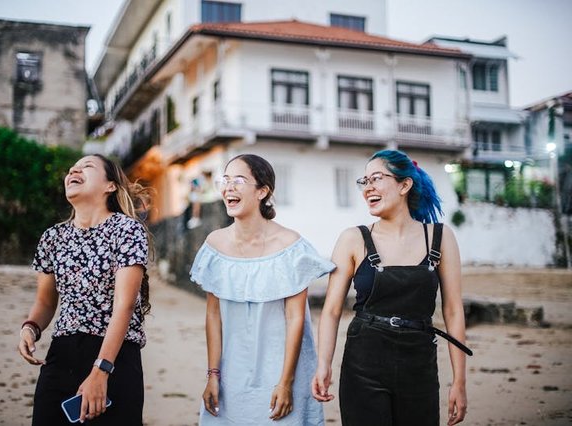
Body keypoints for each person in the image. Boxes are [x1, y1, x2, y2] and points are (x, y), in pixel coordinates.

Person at [311, 150, 471, 426]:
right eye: (364, 181)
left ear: (404, 185)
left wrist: (459, 381)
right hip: (363, 364)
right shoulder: (353, 239)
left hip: (419, 364)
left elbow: (453, 310)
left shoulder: (440, 237)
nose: (368, 188)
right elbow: (332, 310)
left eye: (376, 178)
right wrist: (324, 363)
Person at [190, 154, 335, 425]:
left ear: (262, 191)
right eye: (226, 180)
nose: (228, 187)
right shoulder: (215, 245)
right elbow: (213, 316)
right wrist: (212, 375)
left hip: (281, 372)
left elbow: (295, 320)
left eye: (239, 180)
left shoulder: (290, 246)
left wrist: (285, 382)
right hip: (231, 374)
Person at [17, 154, 151, 425]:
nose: (74, 170)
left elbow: (123, 307)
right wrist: (31, 327)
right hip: (61, 354)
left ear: (110, 186)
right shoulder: (52, 237)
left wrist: (101, 371)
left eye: (87, 166)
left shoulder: (127, 230)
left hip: (115, 356)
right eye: (71, 169)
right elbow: (45, 302)